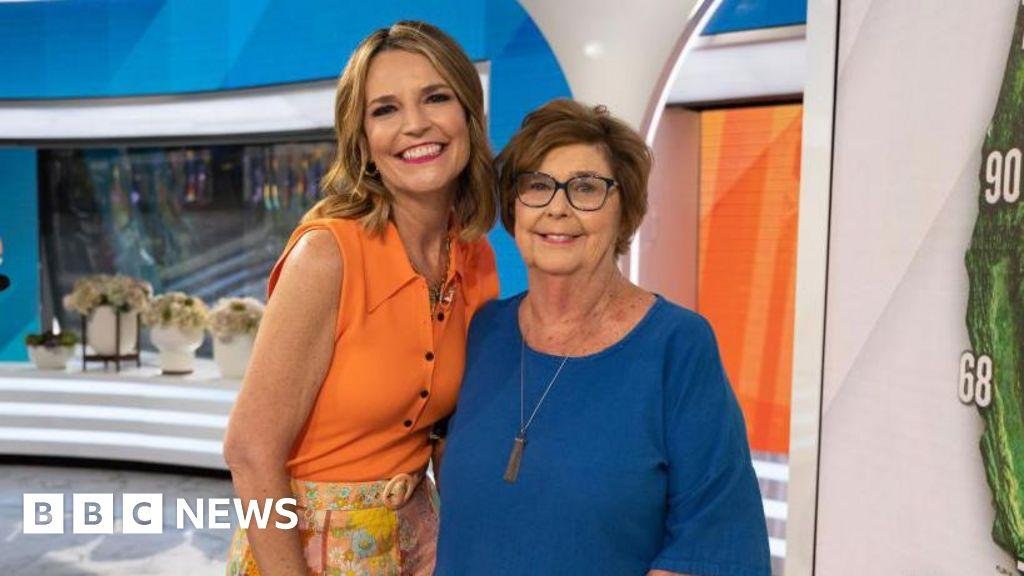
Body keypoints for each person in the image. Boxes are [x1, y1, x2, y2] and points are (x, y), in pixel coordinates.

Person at [434, 99, 771, 576]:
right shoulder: (483, 331)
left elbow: (714, 543)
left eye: (586, 188)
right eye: (537, 186)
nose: (557, 208)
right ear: (513, 207)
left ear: (624, 211)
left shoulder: (677, 347)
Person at [223, 21, 499, 576]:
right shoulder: (326, 255)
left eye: (436, 97)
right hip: (306, 551)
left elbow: (446, 436)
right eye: (385, 109)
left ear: (469, 115)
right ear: (363, 142)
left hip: (421, 539)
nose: (415, 124)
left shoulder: (476, 256)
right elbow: (249, 452)